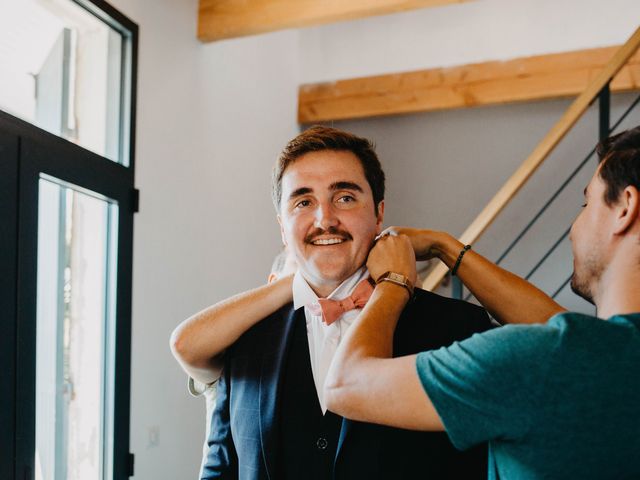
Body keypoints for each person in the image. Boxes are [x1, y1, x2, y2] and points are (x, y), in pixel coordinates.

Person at [324, 126, 640, 479]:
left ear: (625, 207)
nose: (574, 226)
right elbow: (565, 333)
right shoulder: (595, 358)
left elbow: (345, 384)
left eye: (587, 203)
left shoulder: (542, 360)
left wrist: (395, 282)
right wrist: (446, 246)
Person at [188, 126, 494, 480]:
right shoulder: (244, 338)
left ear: (379, 214)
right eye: (303, 202)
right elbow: (220, 469)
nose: (325, 219)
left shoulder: (460, 328)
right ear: (282, 229)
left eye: (345, 197)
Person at [172, 248, 297, 478]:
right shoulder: (240, 349)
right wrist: (296, 285)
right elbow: (184, 344)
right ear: (273, 284)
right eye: (299, 270)